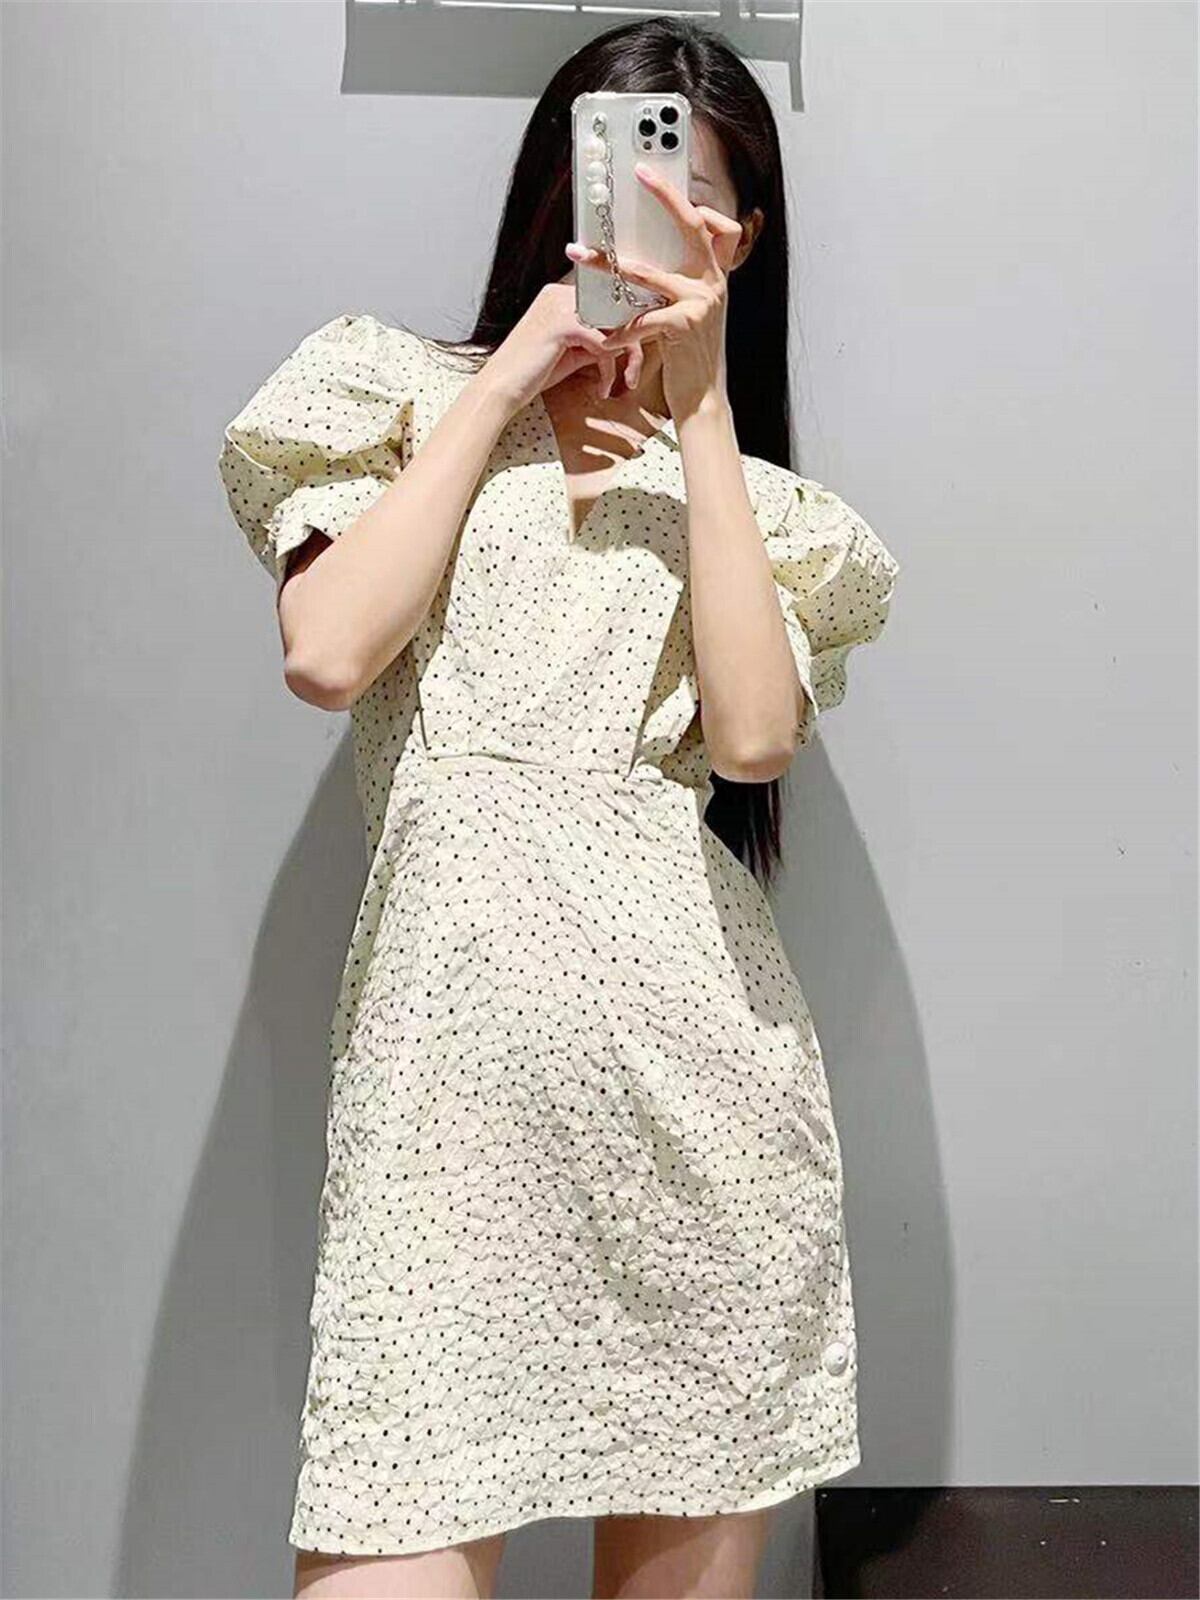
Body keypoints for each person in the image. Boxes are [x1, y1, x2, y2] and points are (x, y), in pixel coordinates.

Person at [218, 15, 900, 1599]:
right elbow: (328, 653)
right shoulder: (392, 395)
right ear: (560, 185)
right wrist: (512, 375)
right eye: (624, 182)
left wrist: (702, 410)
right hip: (444, 1112)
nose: (650, 226)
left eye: (691, 201)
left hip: (699, 1107)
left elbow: (753, 742)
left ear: (741, 238)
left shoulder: (764, 511)